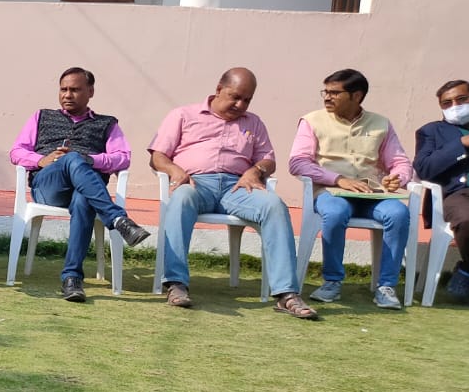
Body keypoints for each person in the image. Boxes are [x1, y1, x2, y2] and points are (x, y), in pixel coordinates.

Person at [148, 67, 318, 319]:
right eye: (235, 97)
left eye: (247, 100)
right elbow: (158, 156)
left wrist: (256, 170)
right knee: (181, 199)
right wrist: (174, 170)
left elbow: (268, 160)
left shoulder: (254, 123)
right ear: (218, 89)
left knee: (274, 205)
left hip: (237, 187)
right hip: (196, 184)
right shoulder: (183, 115)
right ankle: (176, 284)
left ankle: (286, 293)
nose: (240, 105)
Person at [7, 67, 149, 303]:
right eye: (63, 89)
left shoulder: (107, 124)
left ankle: (72, 279)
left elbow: (123, 158)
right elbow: (16, 151)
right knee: (72, 158)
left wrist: (90, 159)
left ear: (90, 92)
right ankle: (117, 219)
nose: (67, 95)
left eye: (74, 89)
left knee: (84, 199)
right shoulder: (41, 116)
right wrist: (41, 160)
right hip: (49, 186)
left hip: (85, 190)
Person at [288, 67, 413, 310]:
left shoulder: (380, 124)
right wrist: (337, 179)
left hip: (371, 195)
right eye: (325, 92)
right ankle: (332, 281)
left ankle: (386, 286)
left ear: (357, 96)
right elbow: (298, 163)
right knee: (335, 212)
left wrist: (397, 178)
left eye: (335, 93)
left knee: (398, 213)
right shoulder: (312, 121)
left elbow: (400, 162)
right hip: (330, 192)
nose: (327, 97)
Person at [413, 78, 469, 300]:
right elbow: (424, 169)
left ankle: (465, 270)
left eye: (462, 99)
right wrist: (461, 144)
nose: (454, 106)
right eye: (447, 103)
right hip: (456, 194)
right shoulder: (431, 131)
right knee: (467, 219)